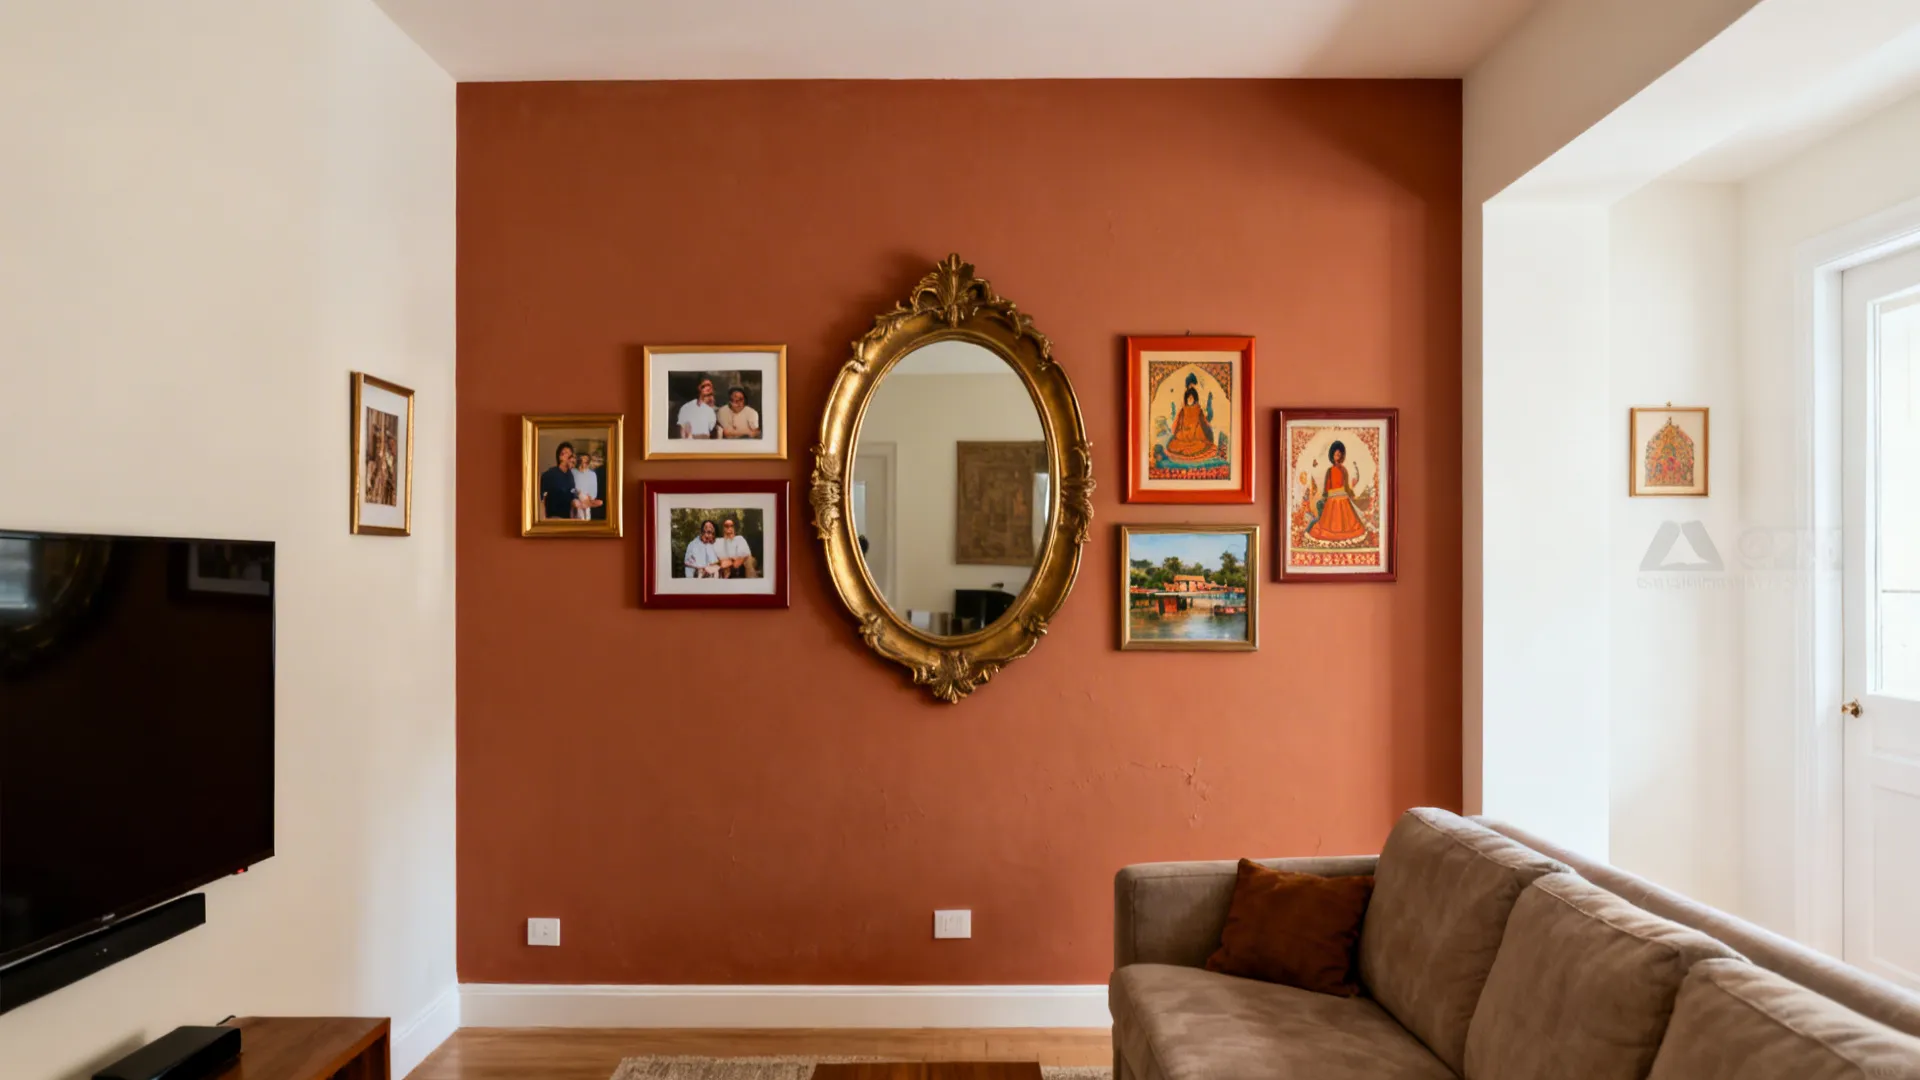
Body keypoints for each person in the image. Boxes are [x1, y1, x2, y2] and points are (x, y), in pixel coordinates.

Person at [1306, 441, 1367, 543]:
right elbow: (1327, 485)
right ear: (1332, 455)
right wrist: (1325, 497)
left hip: (1343, 499)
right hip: (1332, 500)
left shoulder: (1344, 470)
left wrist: (1351, 494)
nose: (1337, 456)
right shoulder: (1329, 471)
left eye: (1339, 454)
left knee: (1346, 523)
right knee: (1329, 523)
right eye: (1335, 454)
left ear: (1342, 455)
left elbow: (1346, 486)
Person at [1162, 373, 1219, 463]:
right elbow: (1179, 424)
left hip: (1195, 436)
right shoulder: (1183, 410)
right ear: (1186, 399)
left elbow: (1201, 424)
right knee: (1173, 445)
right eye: (1188, 399)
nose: (1190, 400)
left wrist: (1194, 432)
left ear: (1195, 399)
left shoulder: (1198, 409)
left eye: (1192, 399)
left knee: (1200, 445)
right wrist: (1183, 433)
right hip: (1183, 436)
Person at [539, 443, 577, 521]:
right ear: (560, 457)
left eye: (570, 453)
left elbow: (572, 500)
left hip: (567, 520)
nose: (569, 456)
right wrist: (543, 520)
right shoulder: (550, 474)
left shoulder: (571, 476)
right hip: (552, 519)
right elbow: (541, 500)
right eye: (566, 453)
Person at [571, 451, 602, 520]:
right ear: (578, 461)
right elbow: (570, 489)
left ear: (588, 462)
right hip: (575, 501)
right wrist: (577, 494)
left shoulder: (592, 474)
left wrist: (590, 498)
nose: (583, 464)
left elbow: (594, 492)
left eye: (586, 462)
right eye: (581, 461)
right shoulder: (572, 472)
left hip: (587, 501)